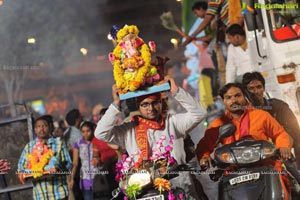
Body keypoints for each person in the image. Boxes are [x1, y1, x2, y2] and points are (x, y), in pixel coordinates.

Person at [94, 76, 207, 200]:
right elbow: (100, 133)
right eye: (145, 104)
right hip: (144, 189)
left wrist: (176, 91)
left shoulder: (173, 122)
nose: (151, 108)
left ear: (161, 102)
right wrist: (116, 104)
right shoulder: (129, 130)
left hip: (178, 185)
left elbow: (200, 113)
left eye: (154, 103)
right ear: (138, 106)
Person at [195, 83, 291, 198]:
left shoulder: (261, 116)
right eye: (229, 98)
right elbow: (205, 143)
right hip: (233, 170)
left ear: (244, 97)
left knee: (282, 188)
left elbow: (280, 133)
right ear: (223, 101)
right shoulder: (218, 124)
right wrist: (205, 156)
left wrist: (283, 146)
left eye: (237, 96)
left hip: (264, 165)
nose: (234, 100)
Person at [242, 71, 300, 167]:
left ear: (264, 88)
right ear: (245, 92)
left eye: (259, 87)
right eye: (251, 88)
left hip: (279, 155)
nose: (256, 91)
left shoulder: (279, 107)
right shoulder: (242, 114)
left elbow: (295, 132)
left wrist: (283, 146)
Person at [18, 115, 72, 200]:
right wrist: (24, 173)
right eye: (38, 127)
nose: (41, 129)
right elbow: (21, 166)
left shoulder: (59, 144)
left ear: (49, 128)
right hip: (40, 195)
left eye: (44, 126)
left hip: (59, 194)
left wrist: (58, 168)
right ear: (35, 130)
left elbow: (69, 165)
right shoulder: (29, 147)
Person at [69, 121, 100, 200]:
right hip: (85, 177)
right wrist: (71, 179)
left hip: (98, 176)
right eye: (83, 132)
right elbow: (75, 163)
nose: (86, 134)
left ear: (92, 130)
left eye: (88, 131)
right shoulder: (78, 144)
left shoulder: (97, 142)